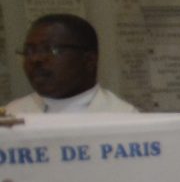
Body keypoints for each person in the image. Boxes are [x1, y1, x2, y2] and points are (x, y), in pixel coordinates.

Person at [7, 15, 135, 118]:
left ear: (89, 60)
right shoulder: (11, 116)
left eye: (50, 50)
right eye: (29, 51)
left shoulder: (124, 119)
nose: (35, 59)